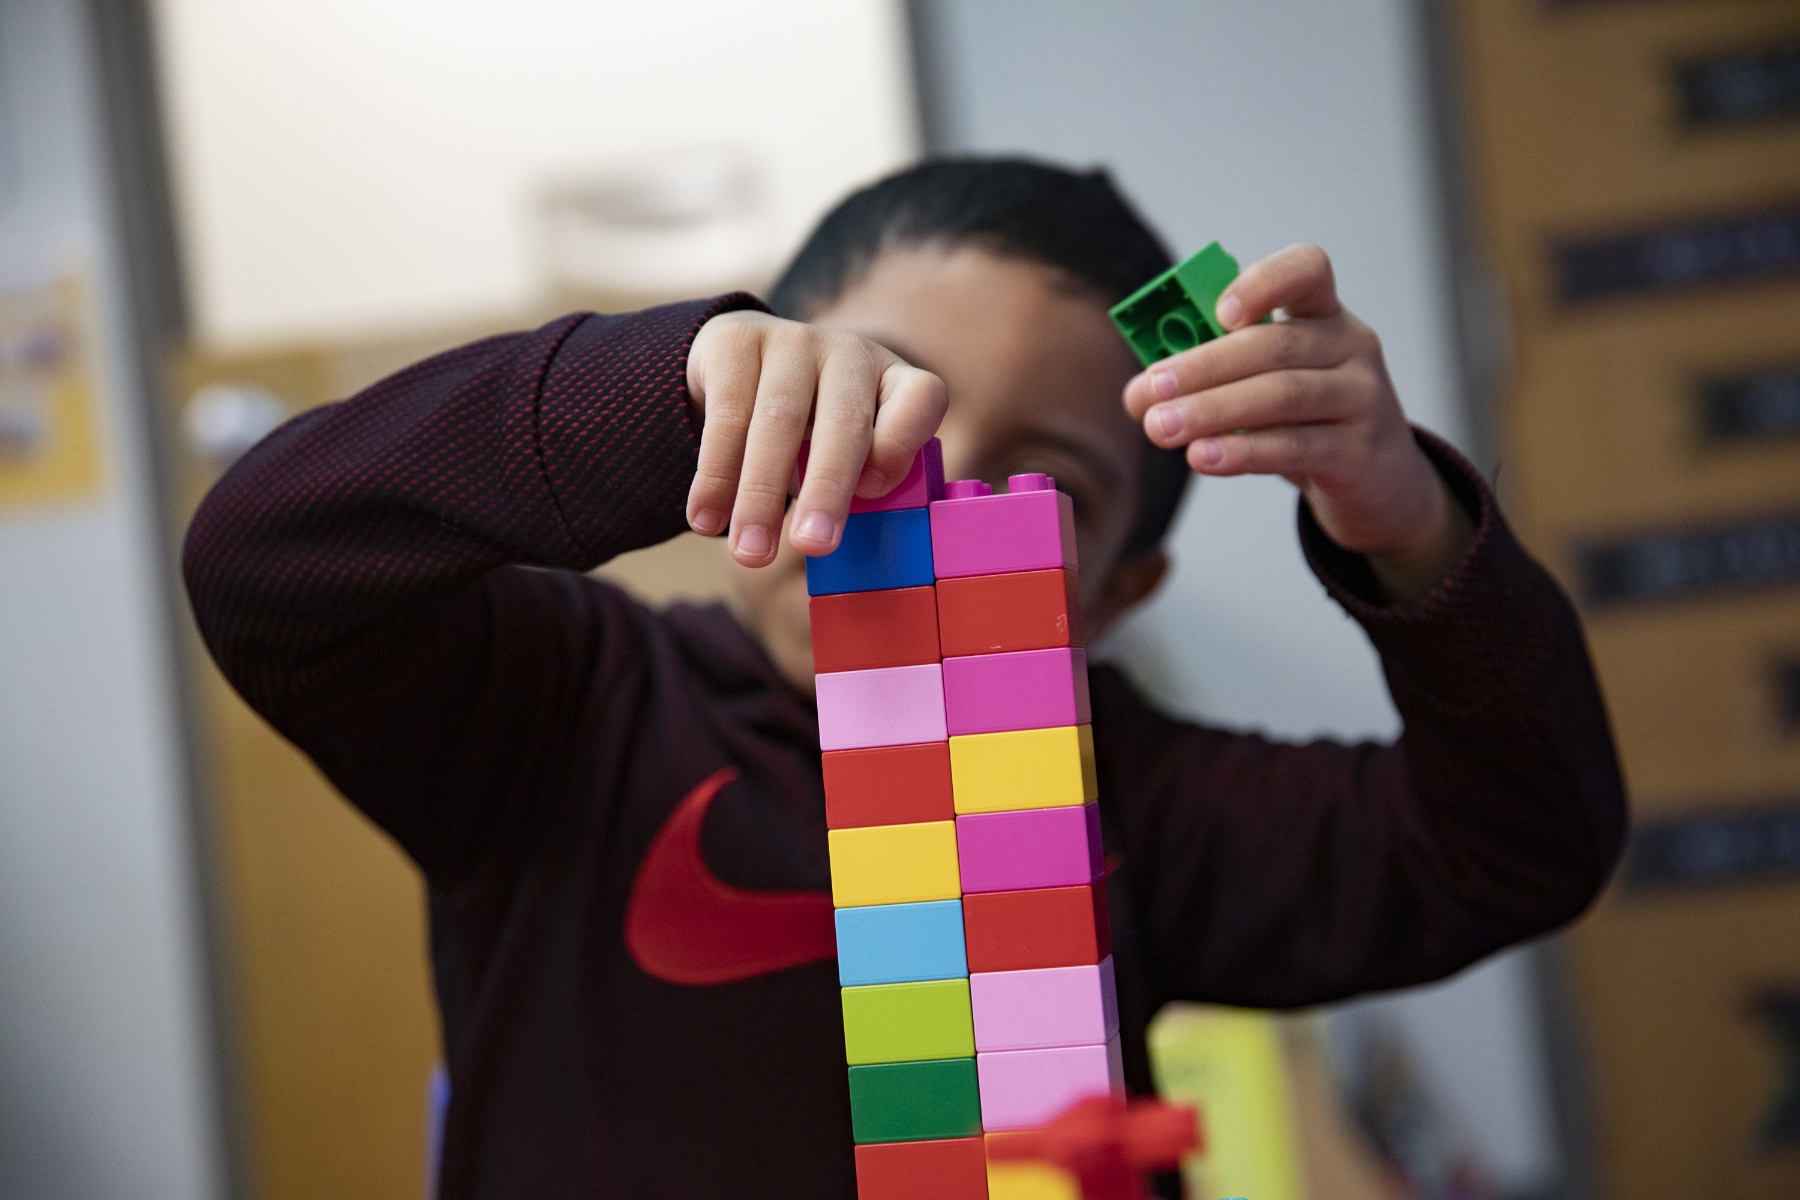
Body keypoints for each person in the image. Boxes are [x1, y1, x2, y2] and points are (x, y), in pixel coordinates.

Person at [183, 158, 1626, 1200]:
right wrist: (652, 388)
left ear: (1118, 594)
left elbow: (1525, 843)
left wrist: (1402, 520)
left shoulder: (1139, 801)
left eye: (1038, 488)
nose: (931, 499)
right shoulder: (567, 709)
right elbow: (267, 558)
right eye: (869, 400)